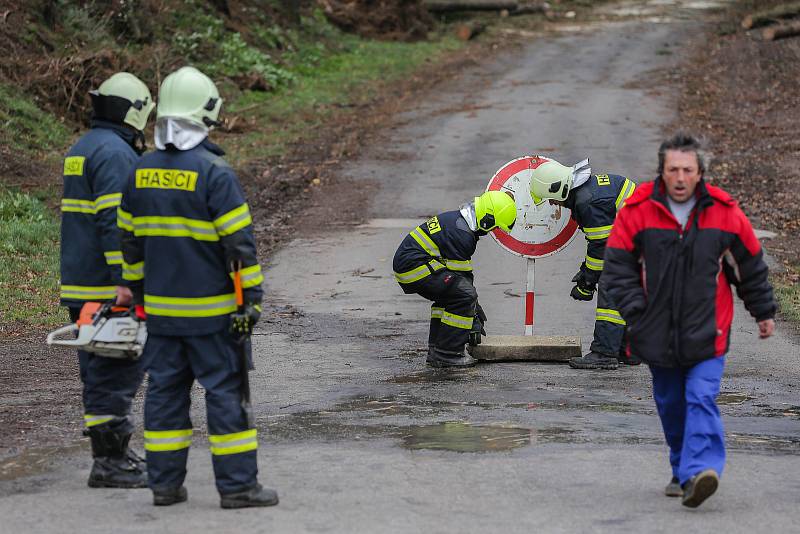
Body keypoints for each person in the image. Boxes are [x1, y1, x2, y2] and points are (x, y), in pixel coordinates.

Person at [119, 66, 278, 508]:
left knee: (165, 400)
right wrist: (252, 305)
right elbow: (241, 250)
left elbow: (129, 247)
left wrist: (138, 301)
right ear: (205, 114)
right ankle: (238, 488)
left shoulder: (138, 172)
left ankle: (165, 486)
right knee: (227, 398)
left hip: (164, 319)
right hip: (214, 318)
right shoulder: (215, 174)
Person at [603, 132, 776, 508]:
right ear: (661, 172)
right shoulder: (637, 212)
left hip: (708, 329)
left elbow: (748, 266)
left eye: (688, 170)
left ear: (700, 174)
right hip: (656, 331)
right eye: (673, 170)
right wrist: (637, 311)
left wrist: (762, 311)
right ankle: (682, 469)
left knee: (700, 396)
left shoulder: (724, 213)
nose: (680, 177)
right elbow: (617, 269)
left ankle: (702, 470)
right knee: (671, 403)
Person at [60, 72, 154, 488]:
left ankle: (114, 452)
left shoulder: (84, 147)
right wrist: (126, 280)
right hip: (107, 286)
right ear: (132, 111)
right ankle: (109, 464)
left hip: (81, 285)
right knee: (116, 374)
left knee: (98, 373)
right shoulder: (116, 154)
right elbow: (115, 225)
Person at [529, 155, 638, 370]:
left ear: (558, 189)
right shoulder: (586, 191)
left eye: (550, 198)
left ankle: (604, 353)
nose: (552, 204)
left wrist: (588, 282)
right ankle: (627, 350)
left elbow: (601, 249)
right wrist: (586, 272)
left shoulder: (586, 201)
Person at [392, 191, 517, 368]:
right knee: (464, 296)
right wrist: (472, 313)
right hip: (414, 268)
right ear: (486, 219)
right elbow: (463, 282)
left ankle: (436, 350)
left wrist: (474, 308)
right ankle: (448, 353)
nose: (492, 231)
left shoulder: (460, 223)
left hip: (412, 266)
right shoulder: (462, 234)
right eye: (494, 226)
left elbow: (462, 277)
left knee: (451, 297)